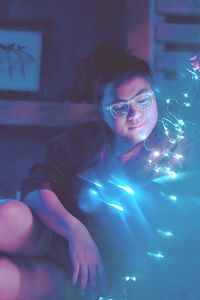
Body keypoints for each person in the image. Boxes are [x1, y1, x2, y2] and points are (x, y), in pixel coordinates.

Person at [0, 44, 195, 299]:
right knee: (8, 214)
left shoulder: (177, 147)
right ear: (103, 111)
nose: (134, 113)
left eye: (143, 100)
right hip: (58, 238)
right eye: (119, 107)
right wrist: (76, 232)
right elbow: (36, 186)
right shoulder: (83, 139)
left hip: (96, 275)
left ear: (155, 96)